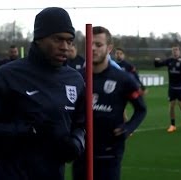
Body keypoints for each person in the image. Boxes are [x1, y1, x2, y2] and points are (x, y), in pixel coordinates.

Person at [0, 7, 85, 180]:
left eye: (69, 41)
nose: (65, 47)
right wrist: (27, 131)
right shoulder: (7, 75)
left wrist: (77, 142)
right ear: (39, 38)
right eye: (58, 39)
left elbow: (82, 124)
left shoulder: (74, 79)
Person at [73, 26, 147, 180]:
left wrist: (128, 128)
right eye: (89, 44)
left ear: (109, 48)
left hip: (110, 153)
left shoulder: (123, 79)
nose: (93, 49)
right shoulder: (77, 78)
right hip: (82, 152)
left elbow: (141, 109)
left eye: (98, 45)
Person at [154, 45, 181, 132]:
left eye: (176, 50)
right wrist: (156, 61)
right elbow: (158, 65)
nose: (175, 52)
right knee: (171, 106)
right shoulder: (169, 61)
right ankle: (172, 125)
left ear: (179, 52)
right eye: (173, 50)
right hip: (172, 87)